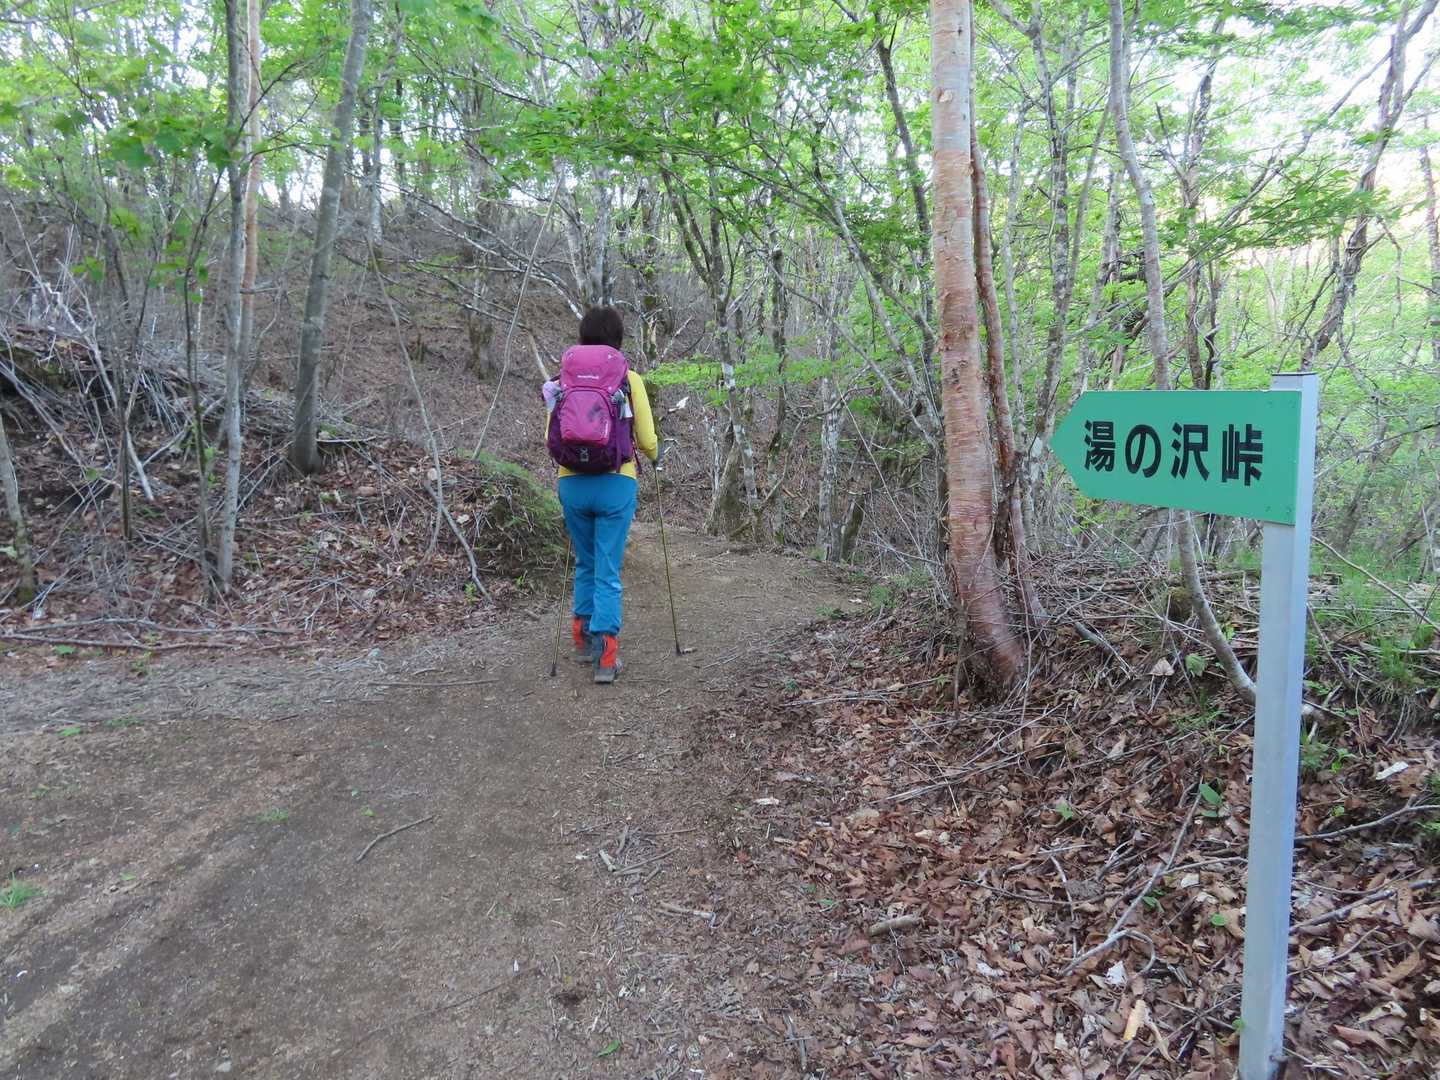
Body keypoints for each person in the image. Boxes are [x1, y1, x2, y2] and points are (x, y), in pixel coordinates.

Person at [545, 306, 657, 684]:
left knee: (585, 562)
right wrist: (655, 454)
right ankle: (606, 657)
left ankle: (582, 639)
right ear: (618, 339)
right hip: (616, 481)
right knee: (608, 569)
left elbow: (550, 434)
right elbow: (646, 439)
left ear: (582, 335)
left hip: (572, 482)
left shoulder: (562, 379)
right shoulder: (630, 379)